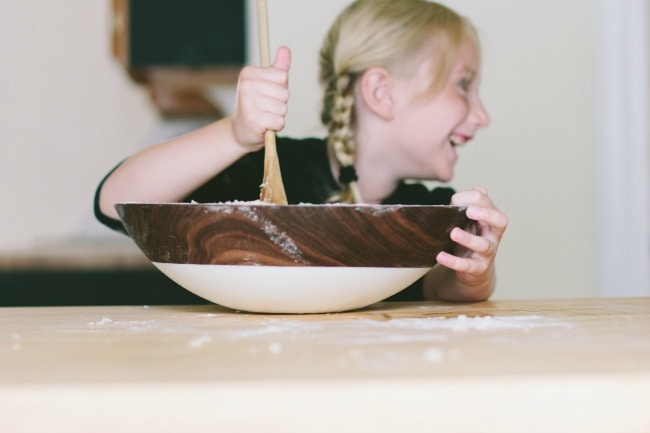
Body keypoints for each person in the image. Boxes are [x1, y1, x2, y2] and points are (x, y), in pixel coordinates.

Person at [95, 0, 508, 302]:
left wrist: (474, 276)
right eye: (463, 85)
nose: (483, 115)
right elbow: (115, 203)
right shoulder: (265, 170)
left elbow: (441, 286)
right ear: (381, 93)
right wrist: (234, 135)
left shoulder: (425, 212)